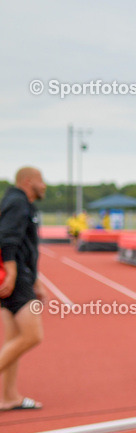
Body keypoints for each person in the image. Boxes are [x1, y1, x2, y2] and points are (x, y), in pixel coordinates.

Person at [0, 166, 47, 411]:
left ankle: (8, 397)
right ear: (28, 181)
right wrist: (13, 273)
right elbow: (7, 237)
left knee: (13, 339)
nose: (45, 185)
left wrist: (35, 280)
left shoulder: (20, 203)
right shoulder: (17, 202)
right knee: (31, 336)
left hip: (19, 276)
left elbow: (26, 247)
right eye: (41, 181)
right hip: (15, 277)